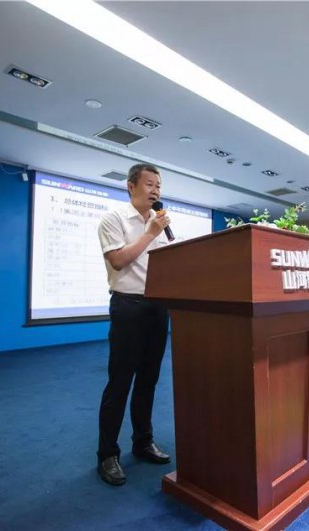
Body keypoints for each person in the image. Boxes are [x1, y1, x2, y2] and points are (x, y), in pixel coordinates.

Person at [96, 163, 172, 486]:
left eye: (159, 185)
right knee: (120, 382)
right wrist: (150, 233)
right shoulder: (114, 219)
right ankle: (107, 454)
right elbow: (118, 260)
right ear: (131, 186)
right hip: (127, 307)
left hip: (158, 308)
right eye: (150, 184)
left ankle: (142, 442)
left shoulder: (160, 223)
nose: (156, 190)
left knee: (148, 381)